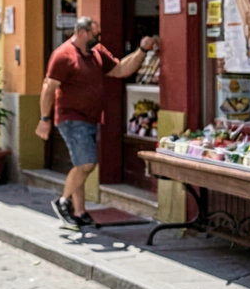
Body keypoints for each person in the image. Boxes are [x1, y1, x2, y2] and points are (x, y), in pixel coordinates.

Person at [36, 17, 158, 230]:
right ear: (82, 33)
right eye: (95, 34)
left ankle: (80, 212)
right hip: (71, 118)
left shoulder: (96, 52)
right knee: (86, 164)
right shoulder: (63, 55)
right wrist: (44, 119)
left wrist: (142, 50)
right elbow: (49, 88)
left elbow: (120, 70)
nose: (98, 38)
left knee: (80, 165)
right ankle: (63, 202)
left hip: (91, 118)